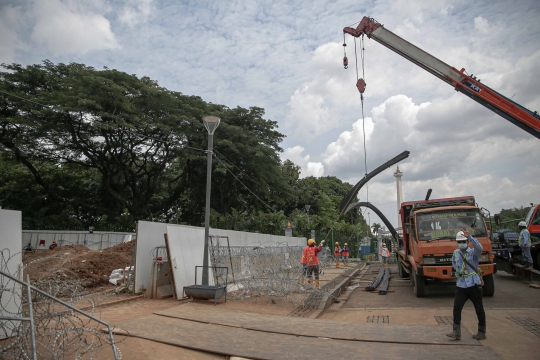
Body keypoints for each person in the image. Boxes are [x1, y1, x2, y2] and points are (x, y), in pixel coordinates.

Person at [446, 228, 486, 341]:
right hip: (461, 285)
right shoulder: (455, 253)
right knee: (457, 307)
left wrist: (470, 237)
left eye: (464, 241)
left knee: (479, 308)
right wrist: (459, 271)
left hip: (473, 284)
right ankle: (456, 331)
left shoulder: (473, 252)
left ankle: (482, 331)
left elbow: (480, 248)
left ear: (467, 242)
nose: (461, 244)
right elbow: (454, 263)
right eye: (460, 242)